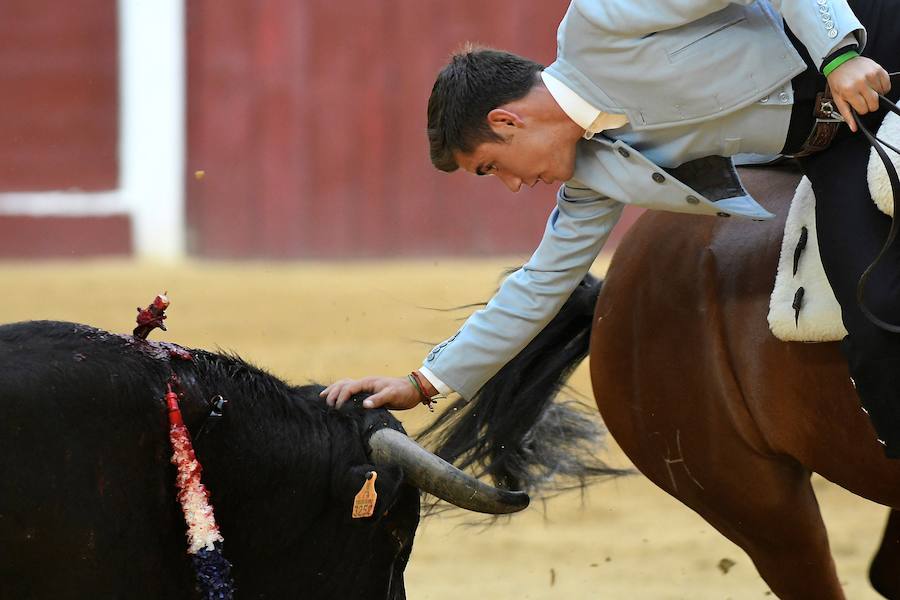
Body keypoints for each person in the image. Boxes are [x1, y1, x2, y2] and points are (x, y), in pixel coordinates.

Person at [322, 0, 900, 457]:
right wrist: (423, 384)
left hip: (868, 36)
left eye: (492, 167)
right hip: (837, 141)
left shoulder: (600, 22)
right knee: (875, 310)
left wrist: (836, 55)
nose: (512, 186)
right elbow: (539, 285)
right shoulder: (595, 176)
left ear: (506, 120)